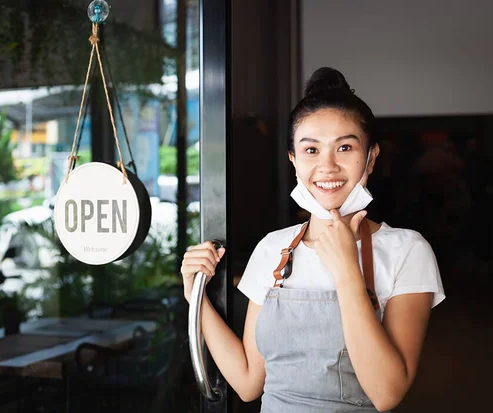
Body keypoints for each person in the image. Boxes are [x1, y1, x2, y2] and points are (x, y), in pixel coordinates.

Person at [180, 67, 445, 412]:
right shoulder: (272, 250)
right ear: (293, 160)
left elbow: (387, 393)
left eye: (345, 147)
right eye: (311, 150)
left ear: (371, 157)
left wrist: (347, 268)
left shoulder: (407, 250)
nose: (327, 166)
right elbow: (247, 383)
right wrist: (195, 297)